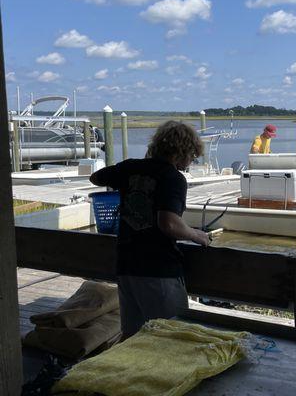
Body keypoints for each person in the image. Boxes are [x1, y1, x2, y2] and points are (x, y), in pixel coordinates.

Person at [89, 121, 210, 339]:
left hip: (127, 266)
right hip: (159, 270)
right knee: (172, 337)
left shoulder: (131, 167)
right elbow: (169, 223)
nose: (192, 160)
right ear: (181, 151)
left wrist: (130, 177)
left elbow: (96, 178)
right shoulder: (173, 178)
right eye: (192, 154)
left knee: (133, 339)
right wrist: (196, 235)